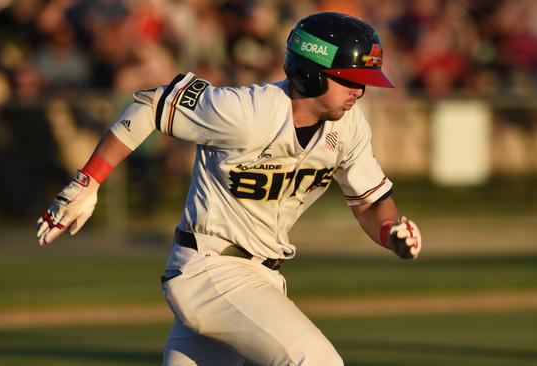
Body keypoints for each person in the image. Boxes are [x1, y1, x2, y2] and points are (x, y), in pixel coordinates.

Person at [36, 12, 422, 366]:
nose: (360, 92)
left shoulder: (349, 127)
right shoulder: (248, 112)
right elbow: (151, 106)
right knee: (316, 362)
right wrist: (86, 182)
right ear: (313, 72)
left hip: (259, 276)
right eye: (351, 80)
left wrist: (392, 233)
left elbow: (372, 204)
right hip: (210, 269)